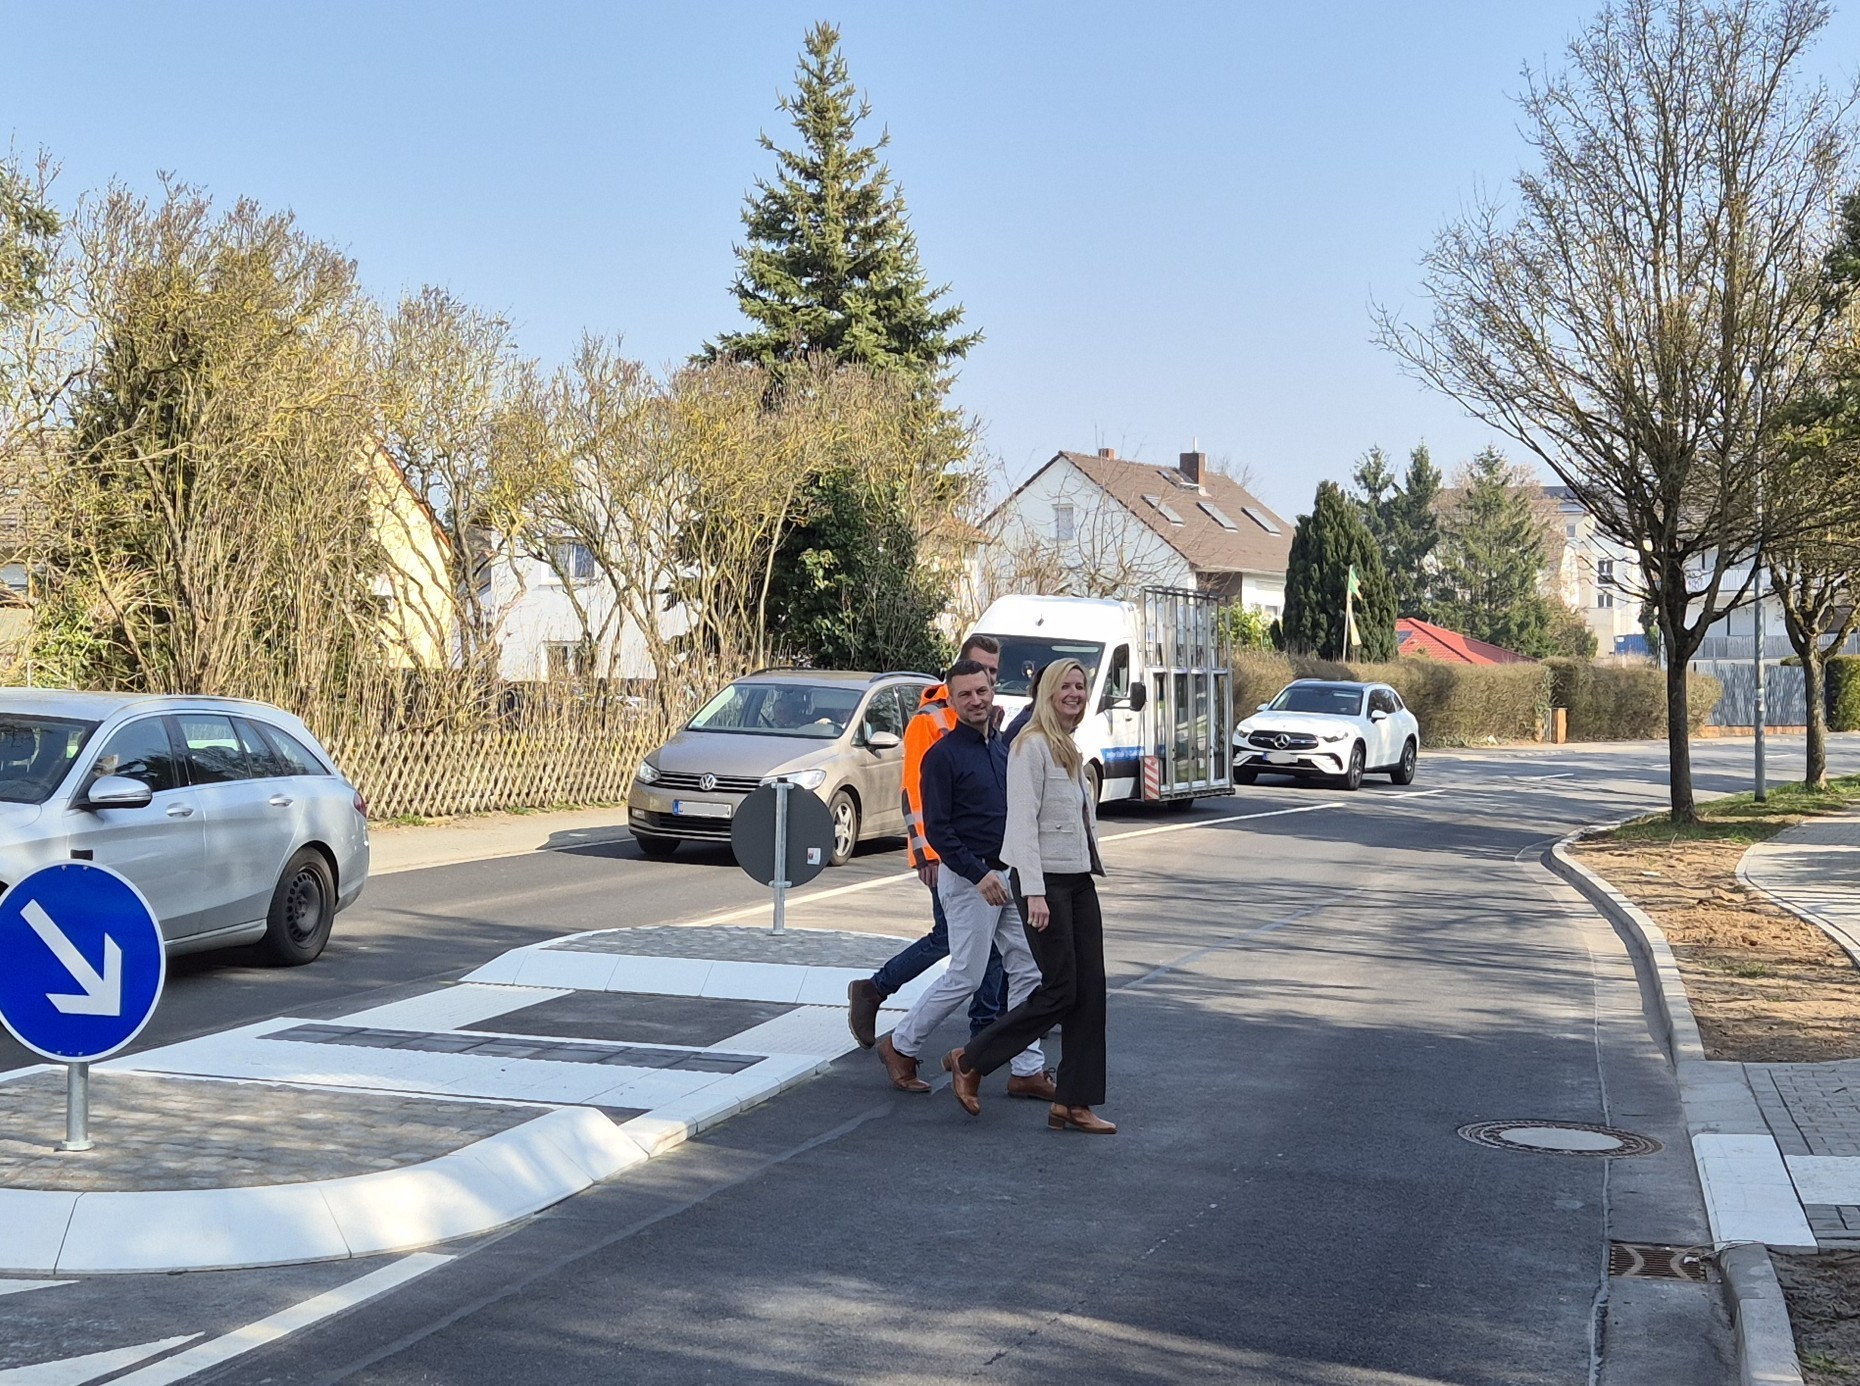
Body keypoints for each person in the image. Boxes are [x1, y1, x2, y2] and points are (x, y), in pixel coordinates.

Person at [945, 657, 1115, 1134]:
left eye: (1081, 686)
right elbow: (1021, 827)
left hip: (1079, 880)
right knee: (1060, 989)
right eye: (1066, 685)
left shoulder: (1069, 748)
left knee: (1090, 993)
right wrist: (1034, 893)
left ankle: (1072, 1103)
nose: (1075, 693)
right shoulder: (1030, 747)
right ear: (1047, 693)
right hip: (1045, 886)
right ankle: (972, 1059)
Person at [878, 658, 1050, 1098]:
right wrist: (978, 874)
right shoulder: (942, 756)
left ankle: (1027, 1069)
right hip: (968, 879)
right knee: (968, 976)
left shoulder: (1000, 749)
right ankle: (900, 1045)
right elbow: (939, 829)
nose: (976, 700)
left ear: (993, 691)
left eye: (982, 691)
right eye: (966, 694)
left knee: (1027, 970)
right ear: (951, 701)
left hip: (1005, 876)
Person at [847, 636, 1015, 1062]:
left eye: (992, 675)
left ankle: (984, 1036)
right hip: (949, 859)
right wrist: (926, 855)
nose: (986, 682)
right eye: (979, 671)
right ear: (958, 674)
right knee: (962, 950)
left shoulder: (992, 727)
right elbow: (914, 794)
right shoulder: (929, 721)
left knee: (978, 952)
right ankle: (879, 992)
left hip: (981, 861)